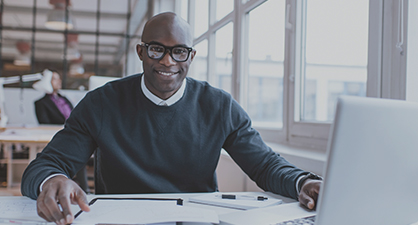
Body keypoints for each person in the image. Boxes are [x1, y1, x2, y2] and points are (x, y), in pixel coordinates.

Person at [21, 12, 322, 224]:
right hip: (123, 220)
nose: (167, 61)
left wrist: (303, 182)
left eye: (179, 52)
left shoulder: (218, 106)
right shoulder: (102, 103)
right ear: (141, 51)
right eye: (156, 50)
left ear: (191, 57)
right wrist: (54, 180)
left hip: (199, 218)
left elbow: (265, 165)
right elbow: (44, 167)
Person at [33, 69, 90, 193]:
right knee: (76, 153)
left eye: (59, 78)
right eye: (55, 79)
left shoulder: (64, 98)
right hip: (57, 136)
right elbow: (44, 123)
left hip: (75, 134)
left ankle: (84, 189)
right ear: (47, 81)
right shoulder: (41, 103)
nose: (59, 81)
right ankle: (82, 188)